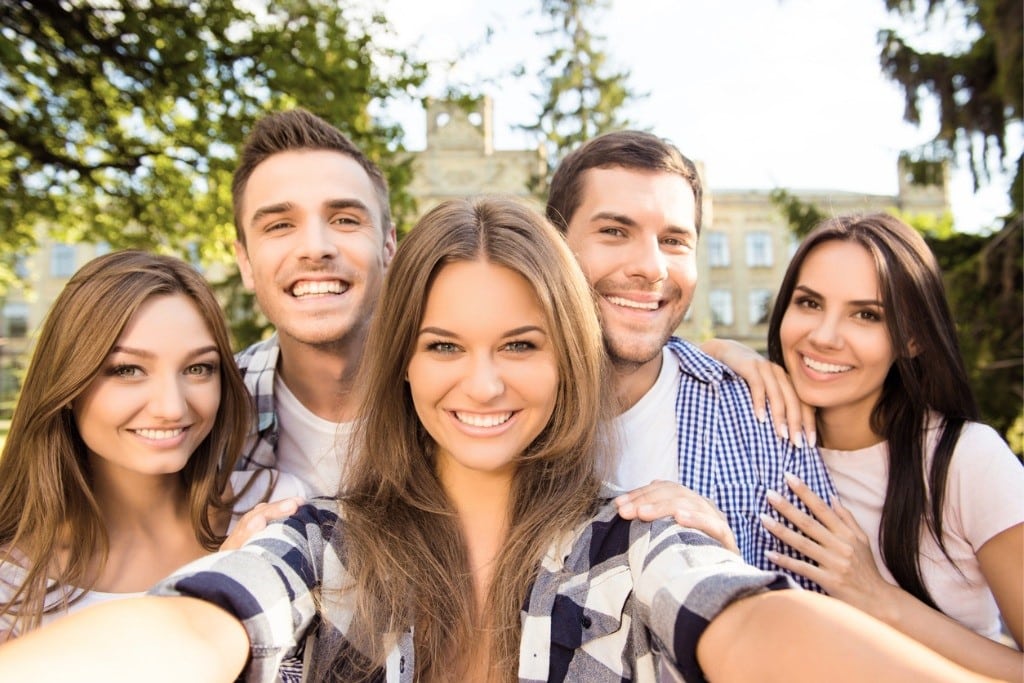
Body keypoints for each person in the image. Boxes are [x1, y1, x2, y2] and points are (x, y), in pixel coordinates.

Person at [0, 198, 989, 683]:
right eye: (442, 345)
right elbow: (187, 624)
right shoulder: (312, 548)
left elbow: (756, 623)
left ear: (567, 359)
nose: (481, 383)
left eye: (520, 343)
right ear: (402, 363)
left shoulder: (640, 547)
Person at [545, 130, 836, 586]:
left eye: (675, 240)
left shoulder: (762, 418)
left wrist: (727, 583)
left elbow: (825, 619)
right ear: (555, 246)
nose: (652, 267)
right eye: (614, 232)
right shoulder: (496, 410)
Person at [747, 213, 1023, 680]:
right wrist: (726, 352)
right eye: (809, 303)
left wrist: (877, 597)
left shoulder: (966, 461)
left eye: (866, 315)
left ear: (912, 338)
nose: (824, 336)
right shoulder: (756, 436)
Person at [0, 251, 305, 641]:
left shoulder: (274, 509)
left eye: (198, 368)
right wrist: (215, 595)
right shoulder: (12, 583)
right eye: (128, 370)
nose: (171, 407)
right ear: (67, 385)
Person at [229, 108, 396, 497]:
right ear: (245, 263)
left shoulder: (460, 399)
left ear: (388, 247)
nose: (316, 248)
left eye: (345, 220)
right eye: (280, 226)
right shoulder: (208, 417)